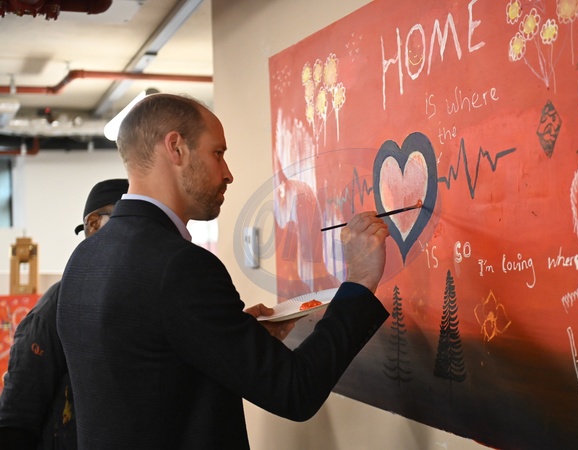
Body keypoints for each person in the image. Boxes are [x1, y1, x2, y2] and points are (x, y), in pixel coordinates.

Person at [56, 93, 390, 449]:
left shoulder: (83, 258)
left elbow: (149, 368)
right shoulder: (181, 266)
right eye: (218, 153)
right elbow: (295, 391)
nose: (228, 174)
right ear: (176, 148)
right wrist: (359, 281)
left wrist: (233, 338)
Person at [0, 178, 130, 449]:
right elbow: (16, 419)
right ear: (94, 224)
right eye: (130, 220)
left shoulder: (143, 297)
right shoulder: (56, 307)